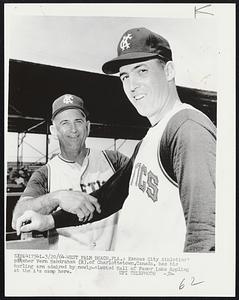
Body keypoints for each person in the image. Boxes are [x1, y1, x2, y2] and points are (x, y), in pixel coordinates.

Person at [16, 27, 216, 253]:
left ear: (169, 71)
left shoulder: (186, 128)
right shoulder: (150, 138)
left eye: (142, 71)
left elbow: (206, 232)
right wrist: (51, 221)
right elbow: (108, 197)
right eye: (125, 76)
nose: (132, 85)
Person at [12, 93, 129, 250]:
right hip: (69, 269)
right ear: (54, 130)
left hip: (112, 265)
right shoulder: (45, 173)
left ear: (87, 127)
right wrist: (56, 198)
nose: (73, 129)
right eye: (65, 123)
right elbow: (18, 218)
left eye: (78, 122)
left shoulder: (114, 159)